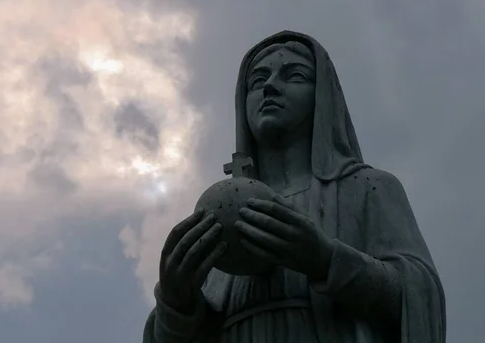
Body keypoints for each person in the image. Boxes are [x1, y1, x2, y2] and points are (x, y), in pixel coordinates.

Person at [143, 30, 446, 342]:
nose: (270, 86)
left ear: (322, 97)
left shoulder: (368, 188)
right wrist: (176, 302)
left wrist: (325, 259)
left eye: (294, 75)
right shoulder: (220, 215)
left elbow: (419, 298)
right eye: (257, 81)